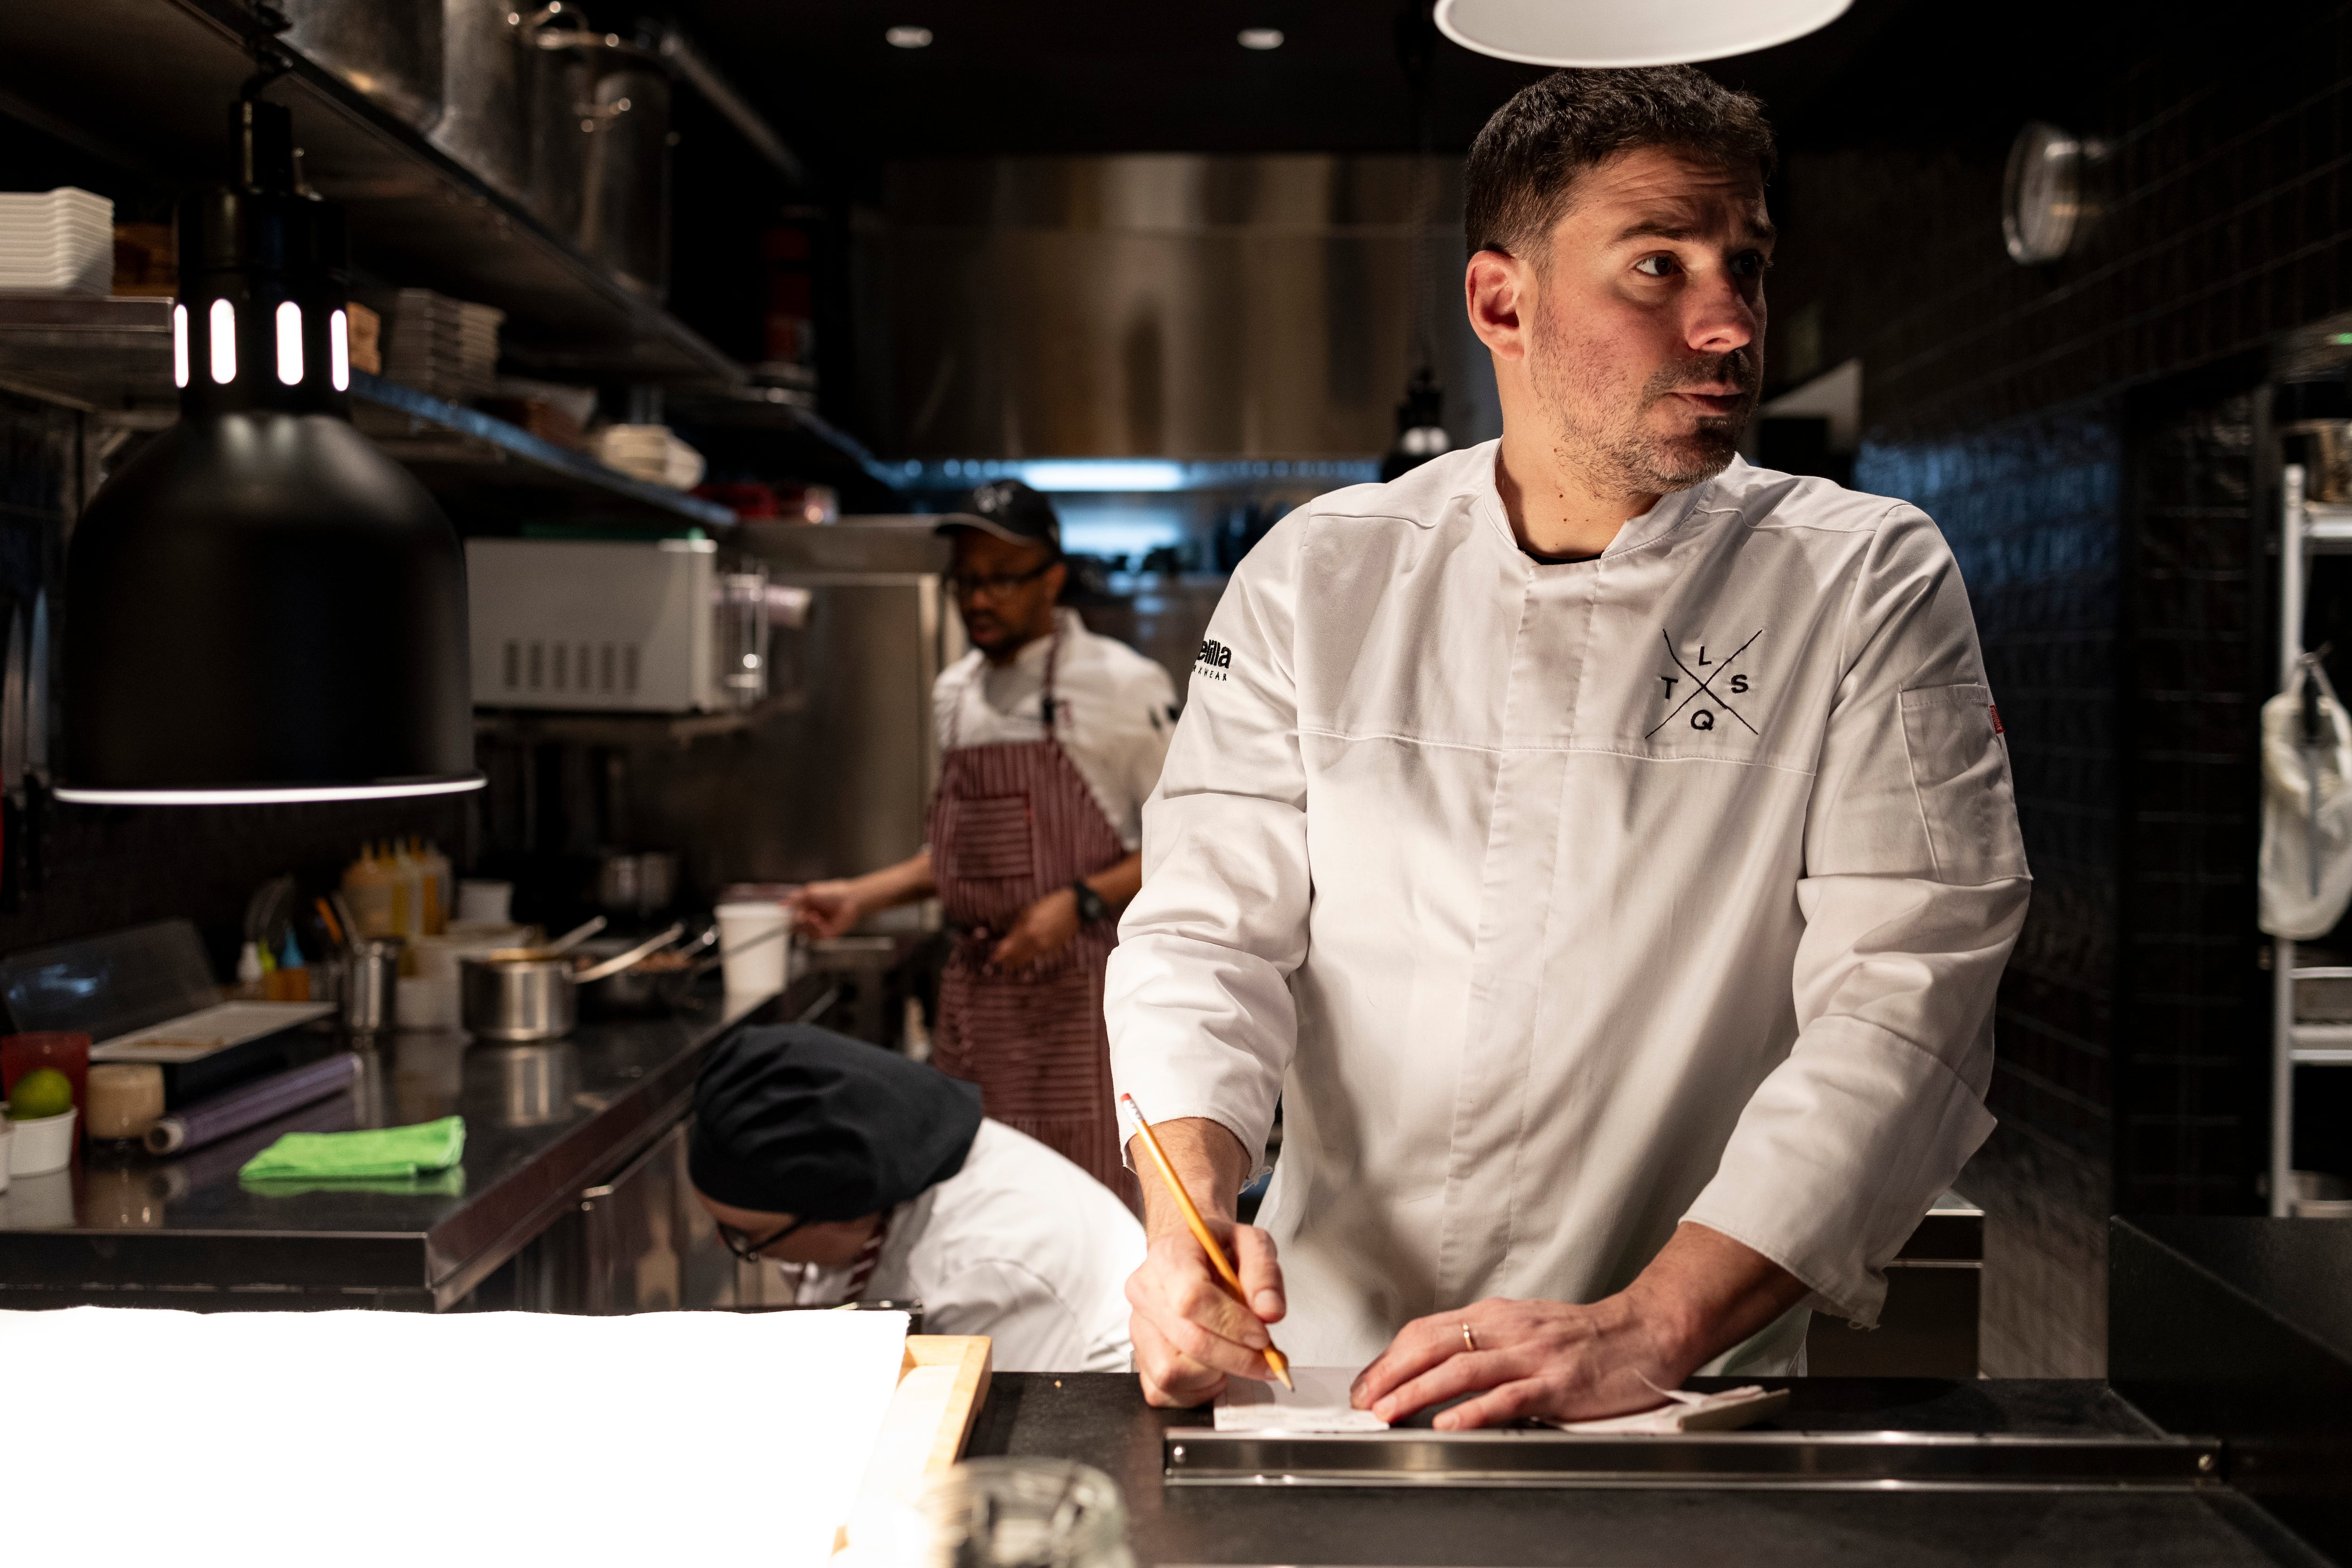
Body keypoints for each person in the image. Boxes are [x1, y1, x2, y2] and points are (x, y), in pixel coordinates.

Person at [1106, 66, 2030, 1429]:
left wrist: (1653, 1326)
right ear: (1502, 303)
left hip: (1679, 1382)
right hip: (1330, 1369)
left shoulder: (1863, 576)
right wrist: (1186, 1226)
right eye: (1657, 267)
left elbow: (1910, 988)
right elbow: (1205, 936)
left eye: (1748, 268)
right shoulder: (1321, 574)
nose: (1727, 324)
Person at [793, 480, 1178, 1198]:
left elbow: (1186, 842)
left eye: (1001, 579)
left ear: (1053, 578)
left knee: (1086, 1203)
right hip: (977, 1003)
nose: (979, 600)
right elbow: (968, 856)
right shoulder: (956, 693)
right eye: (966, 581)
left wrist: (1080, 903)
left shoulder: (1124, 687)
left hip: (1082, 1004)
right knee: (976, 1203)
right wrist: (861, 896)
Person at [690, 1023, 1146, 1373]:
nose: (720, 1245)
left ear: (837, 1215)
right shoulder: (886, 1164)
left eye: (745, 1238)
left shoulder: (988, 1268)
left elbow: (979, 1436)